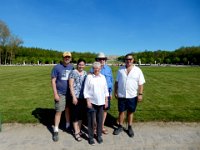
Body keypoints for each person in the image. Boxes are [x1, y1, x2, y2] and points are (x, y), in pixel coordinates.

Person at [113, 53, 145, 138]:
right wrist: (115, 91)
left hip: (132, 95)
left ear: (133, 60)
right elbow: (116, 82)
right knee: (121, 111)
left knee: (130, 112)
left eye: (130, 59)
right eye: (127, 59)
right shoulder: (120, 69)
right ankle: (120, 126)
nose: (128, 61)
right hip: (122, 95)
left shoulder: (138, 70)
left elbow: (141, 84)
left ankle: (129, 127)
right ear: (125, 60)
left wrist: (140, 94)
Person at [84, 62, 109, 145]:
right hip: (92, 102)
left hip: (101, 102)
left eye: (98, 68)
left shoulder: (103, 77)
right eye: (95, 68)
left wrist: (106, 100)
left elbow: (106, 89)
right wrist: (87, 101)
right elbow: (86, 90)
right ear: (93, 68)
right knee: (91, 120)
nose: (97, 69)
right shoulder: (89, 77)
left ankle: (99, 136)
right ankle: (91, 137)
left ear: (100, 69)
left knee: (100, 120)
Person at [51, 52, 74, 142]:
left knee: (68, 109)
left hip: (69, 93)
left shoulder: (72, 67)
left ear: (71, 58)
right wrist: (55, 94)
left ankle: (68, 125)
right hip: (60, 93)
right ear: (63, 58)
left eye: (69, 57)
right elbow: (53, 81)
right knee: (59, 111)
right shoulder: (57, 67)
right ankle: (56, 129)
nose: (67, 58)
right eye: (65, 57)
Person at [90, 52, 113, 134]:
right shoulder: (93, 68)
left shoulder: (108, 69)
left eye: (103, 59)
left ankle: (102, 126)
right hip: (97, 93)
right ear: (97, 60)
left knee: (105, 110)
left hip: (106, 93)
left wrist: (111, 92)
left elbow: (111, 80)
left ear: (105, 60)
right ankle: (96, 127)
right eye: (100, 59)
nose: (102, 60)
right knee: (96, 111)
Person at [69, 59, 87, 142]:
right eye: (80, 64)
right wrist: (73, 97)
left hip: (83, 97)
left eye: (83, 65)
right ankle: (76, 132)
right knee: (75, 115)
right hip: (75, 97)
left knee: (81, 115)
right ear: (77, 65)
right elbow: (71, 86)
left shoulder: (85, 73)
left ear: (84, 65)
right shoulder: (73, 72)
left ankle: (79, 130)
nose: (81, 66)